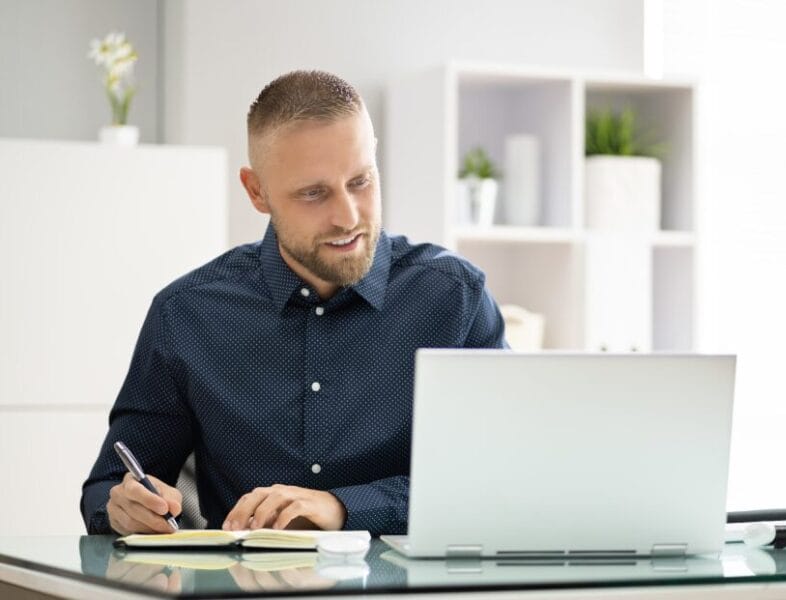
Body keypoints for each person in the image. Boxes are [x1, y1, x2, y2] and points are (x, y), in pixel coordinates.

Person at [81, 70, 506, 537]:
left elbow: (497, 480)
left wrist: (344, 508)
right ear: (256, 191)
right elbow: (109, 486)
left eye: (360, 181)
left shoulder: (455, 298)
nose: (347, 217)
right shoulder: (185, 315)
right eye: (313, 193)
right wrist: (123, 507)